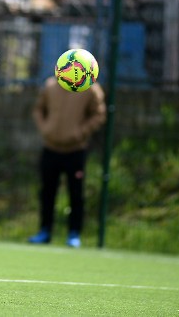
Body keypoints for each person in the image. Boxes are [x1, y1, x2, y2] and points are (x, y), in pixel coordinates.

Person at [28, 76, 106, 248]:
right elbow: (38, 110)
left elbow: (99, 114)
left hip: (76, 151)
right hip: (50, 148)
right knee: (47, 192)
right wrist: (45, 129)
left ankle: (74, 234)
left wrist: (80, 133)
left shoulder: (91, 89)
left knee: (76, 194)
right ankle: (45, 231)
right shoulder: (50, 85)